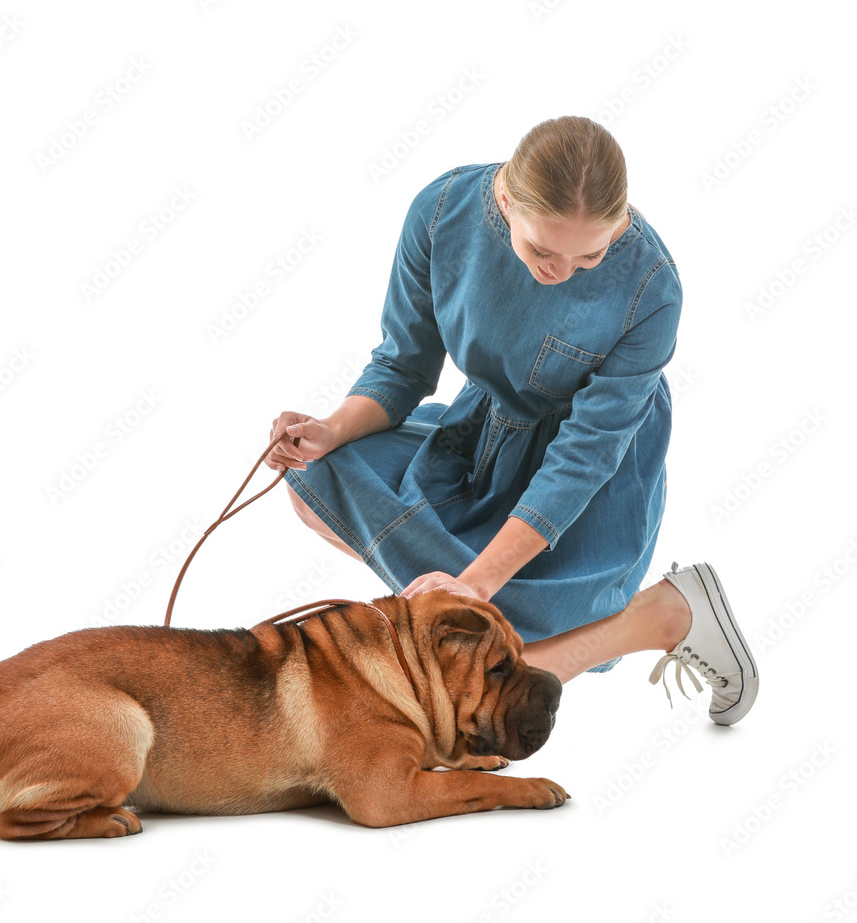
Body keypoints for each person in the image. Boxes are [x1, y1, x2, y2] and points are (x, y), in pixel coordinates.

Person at [266, 116, 758, 725]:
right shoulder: (443, 212)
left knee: (496, 654)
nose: (563, 271)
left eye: (592, 255)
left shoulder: (652, 289)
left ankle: (664, 616)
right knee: (322, 481)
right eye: (542, 250)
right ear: (504, 199)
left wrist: (476, 585)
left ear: (622, 222)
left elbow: (584, 456)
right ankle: (466, 678)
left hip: (591, 477)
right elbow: (402, 367)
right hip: (484, 440)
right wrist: (331, 429)